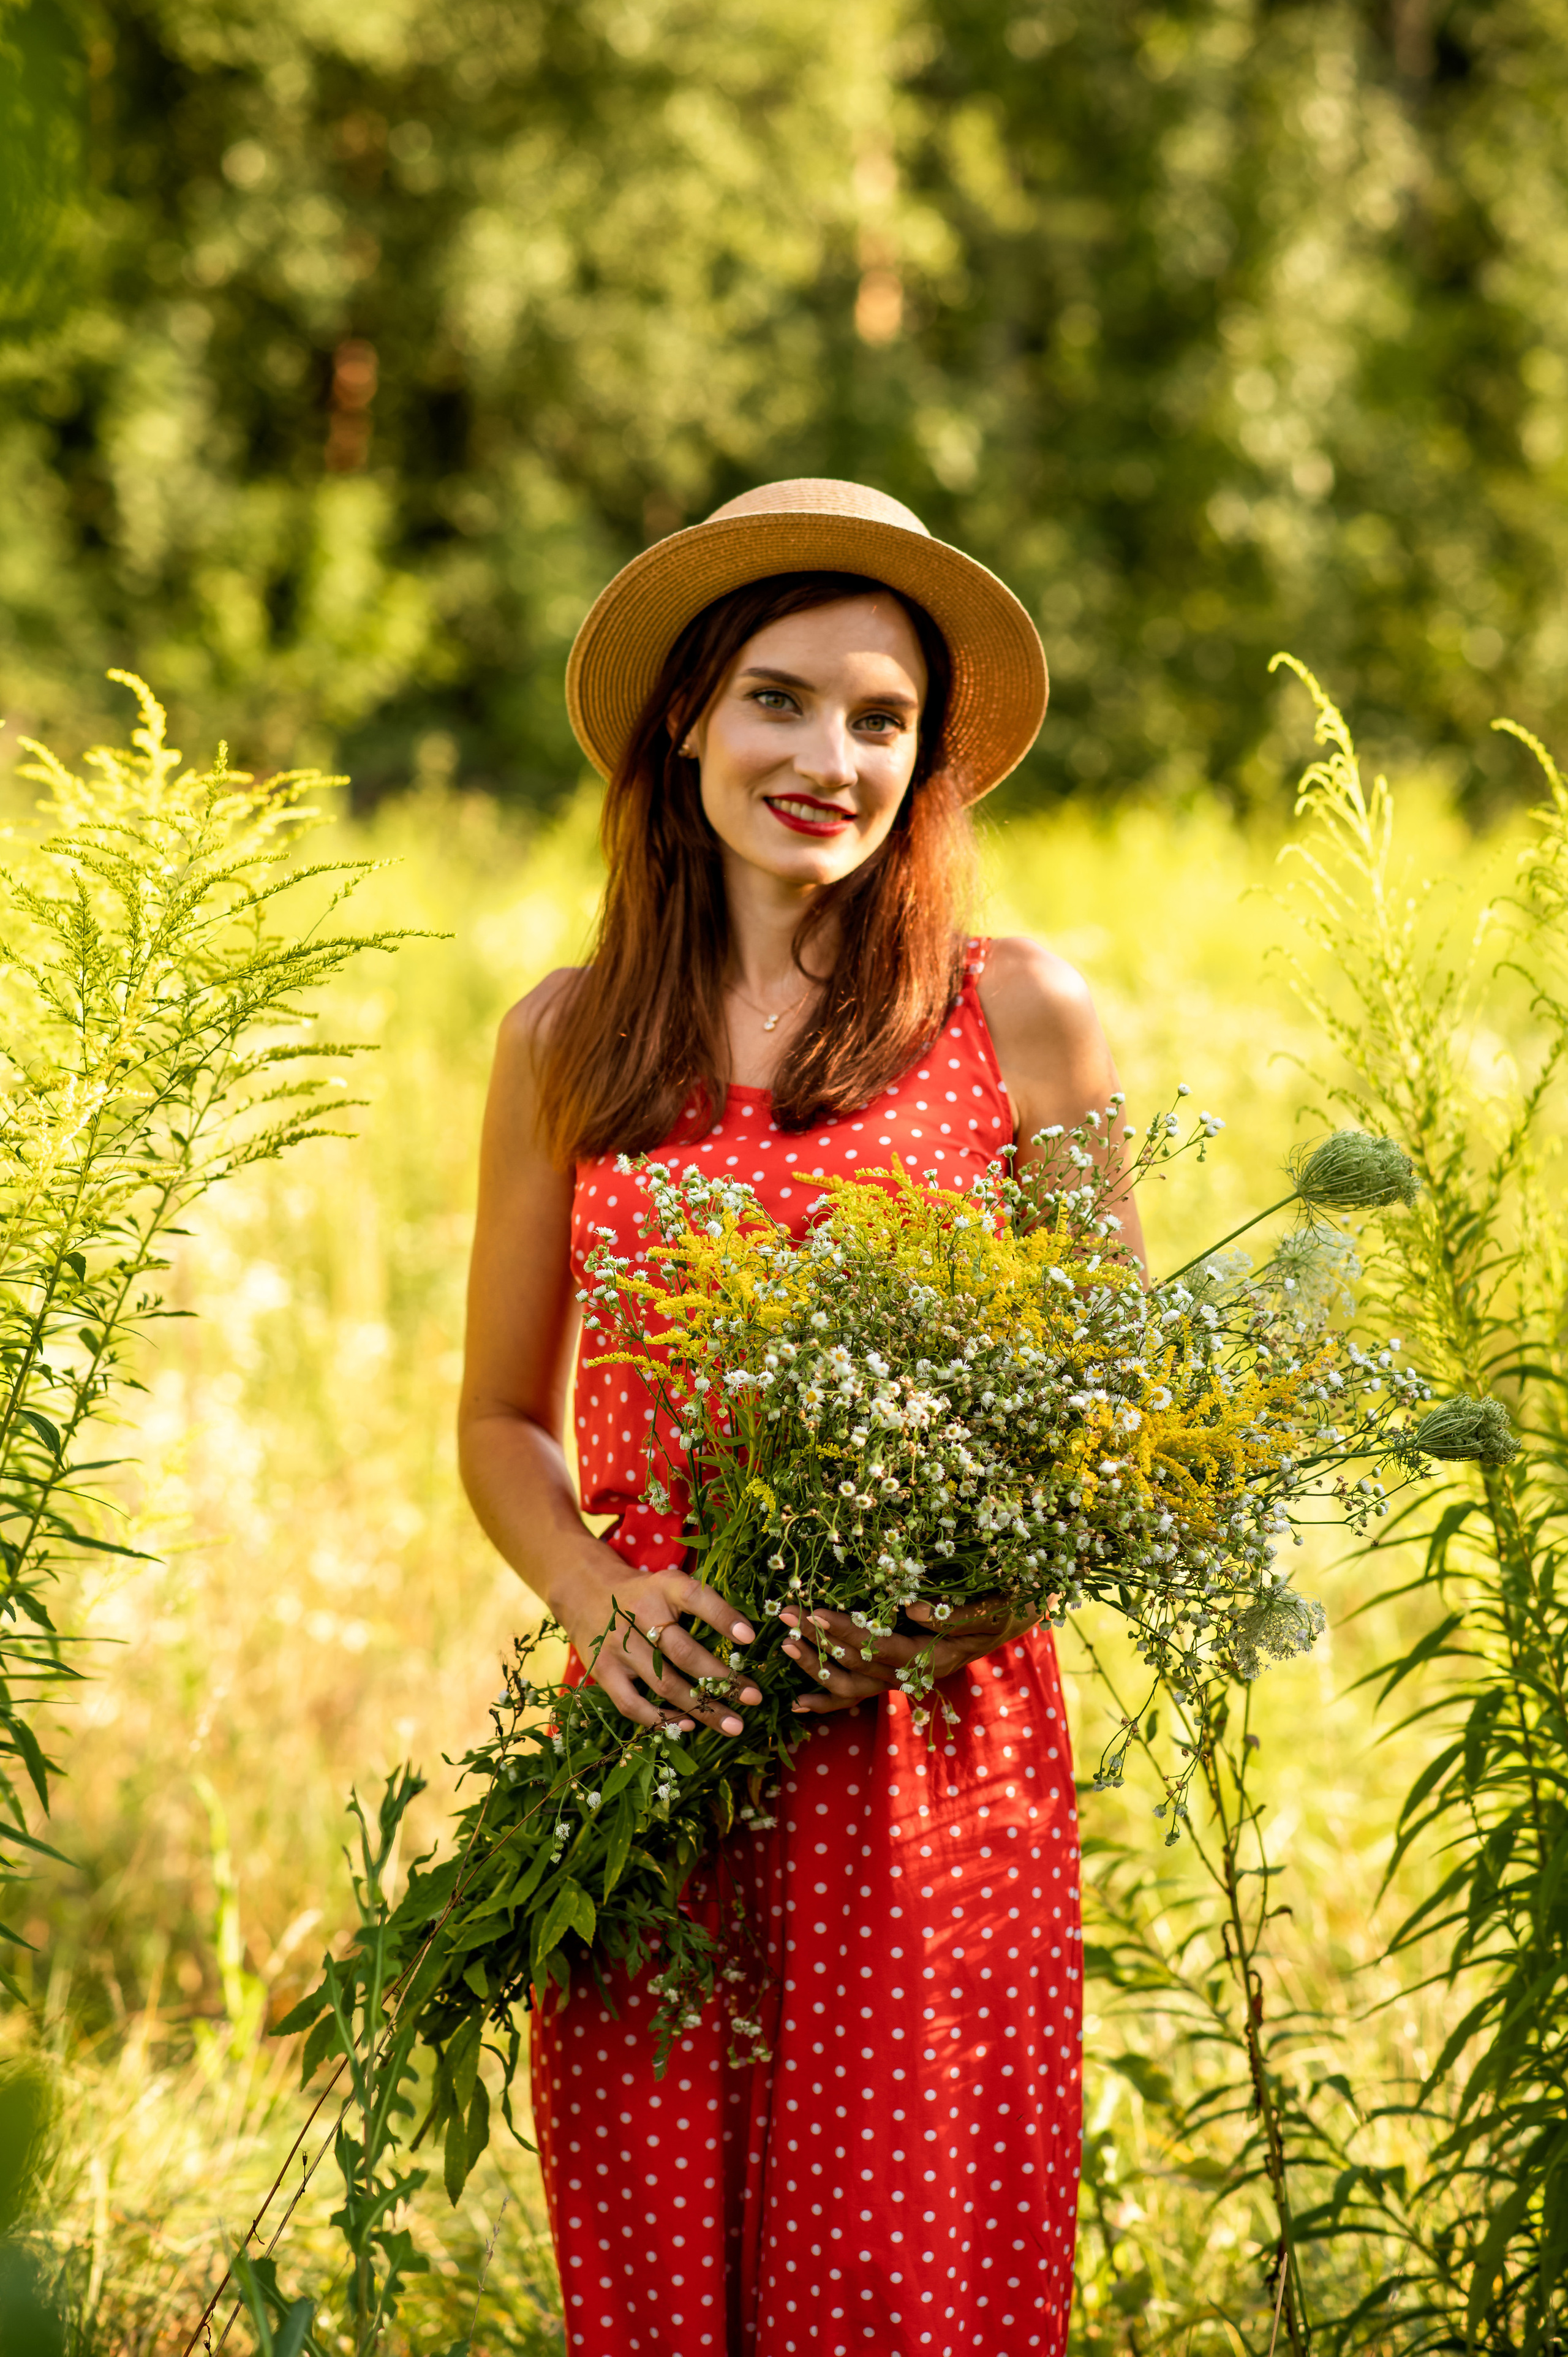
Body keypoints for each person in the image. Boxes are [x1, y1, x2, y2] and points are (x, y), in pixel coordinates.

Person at [458, 479, 1145, 2357]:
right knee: (660, 2278)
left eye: (878, 718)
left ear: (925, 759)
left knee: (906, 2287)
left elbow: (1122, 1433)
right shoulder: (568, 1038)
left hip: (925, 1755)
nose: (825, 757)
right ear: (687, 712)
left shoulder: (1023, 1020)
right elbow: (502, 1421)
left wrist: (973, 1595)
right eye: (778, 697)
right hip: (653, 1754)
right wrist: (601, 1602)